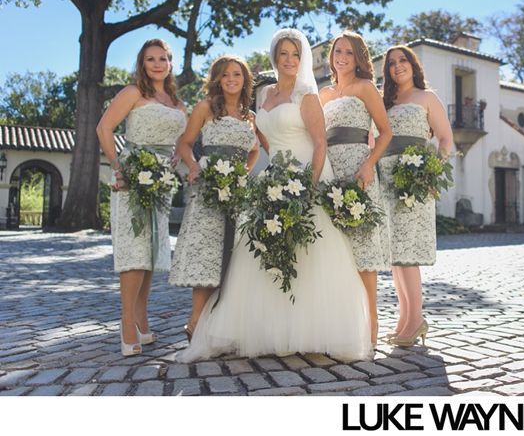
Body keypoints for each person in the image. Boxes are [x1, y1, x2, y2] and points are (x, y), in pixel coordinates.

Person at [177, 29, 371, 361]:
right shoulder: (265, 94)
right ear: (274, 57)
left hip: (304, 177)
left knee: (309, 255)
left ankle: (308, 331)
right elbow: (264, 141)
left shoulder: (307, 95)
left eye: (296, 54)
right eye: (284, 54)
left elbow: (320, 143)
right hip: (275, 177)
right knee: (265, 251)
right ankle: (269, 331)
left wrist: (309, 186)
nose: (290, 60)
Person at [96, 39, 187, 356]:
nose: (157, 64)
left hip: (161, 182)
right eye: (151, 59)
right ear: (142, 63)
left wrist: (176, 156)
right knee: (135, 251)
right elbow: (104, 128)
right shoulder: (133, 93)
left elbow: (181, 140)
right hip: (133, 178)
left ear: (170, 63)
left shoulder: (177, 102)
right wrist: (118, 167)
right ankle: (125, 323)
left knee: (151, 253)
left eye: (163, 58)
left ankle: (141, 318)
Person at [170, 55, 260, 340]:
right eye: (225, 75)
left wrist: (242, 173)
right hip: (209, 189)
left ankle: (222, 324)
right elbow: (185, 143)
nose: (231, 79)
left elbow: (255, 151)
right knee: (207, 255)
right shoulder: (205, 107)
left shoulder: (250, 117)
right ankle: (196, 321)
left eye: (237, 74)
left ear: (245, 80)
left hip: (237, 192)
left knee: (233, 257)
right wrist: (194, 166)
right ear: (218, 80)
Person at [319, 30, 393, 346]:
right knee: (335, 250)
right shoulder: (323, 94)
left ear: (359, 58)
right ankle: (340, 327)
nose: (343, 57)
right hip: (329, 173)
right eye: (338, 51)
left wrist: (368, 164)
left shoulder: (365, 88)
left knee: (362, 250)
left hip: (358, 170)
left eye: (349, 52)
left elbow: (386, 132)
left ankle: (371, 327)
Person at [378, 46, 453, 347]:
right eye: (391, 63)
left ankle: (416, 319)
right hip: (387, 180)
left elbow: (446, 139)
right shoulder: (385, 102)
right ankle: (404, 319)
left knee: (408, 254)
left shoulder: (427, 97)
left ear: (413, 65)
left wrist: (430, 173)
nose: (398, 66)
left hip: (413, 183)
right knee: (395, 256)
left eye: (403, 60)